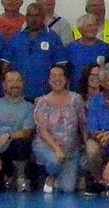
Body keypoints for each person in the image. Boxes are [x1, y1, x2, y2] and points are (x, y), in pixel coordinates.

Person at [32, 64, 85, 194]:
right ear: (49, 80)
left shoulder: (76, 99)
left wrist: (86, 144)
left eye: (60, 75)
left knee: (68, 189)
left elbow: (82, 125)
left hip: (71, 149)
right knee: (55, 160)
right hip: (47, 146)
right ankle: (51, 176)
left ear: (66, 79)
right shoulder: (42, 102)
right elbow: (43, 131)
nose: (57, 79)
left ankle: (60, 176)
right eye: (53, 76)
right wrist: (57, 149)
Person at [1, 3, 67, 101]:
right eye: (30, 15)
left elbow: (61, 67)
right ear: (26, 17)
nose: (33, 19)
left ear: (43, 17)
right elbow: (5, 65)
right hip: (19, 97)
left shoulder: (53, 37)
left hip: (46, 97)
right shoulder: (16, 37)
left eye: (37, 15)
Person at [64, 15, 109, 94]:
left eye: (94, 25)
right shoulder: (70, 48)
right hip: (76, 94)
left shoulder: (105, 48)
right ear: (80, 29)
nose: (92, 28)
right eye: (89, 25)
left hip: (99, 95)